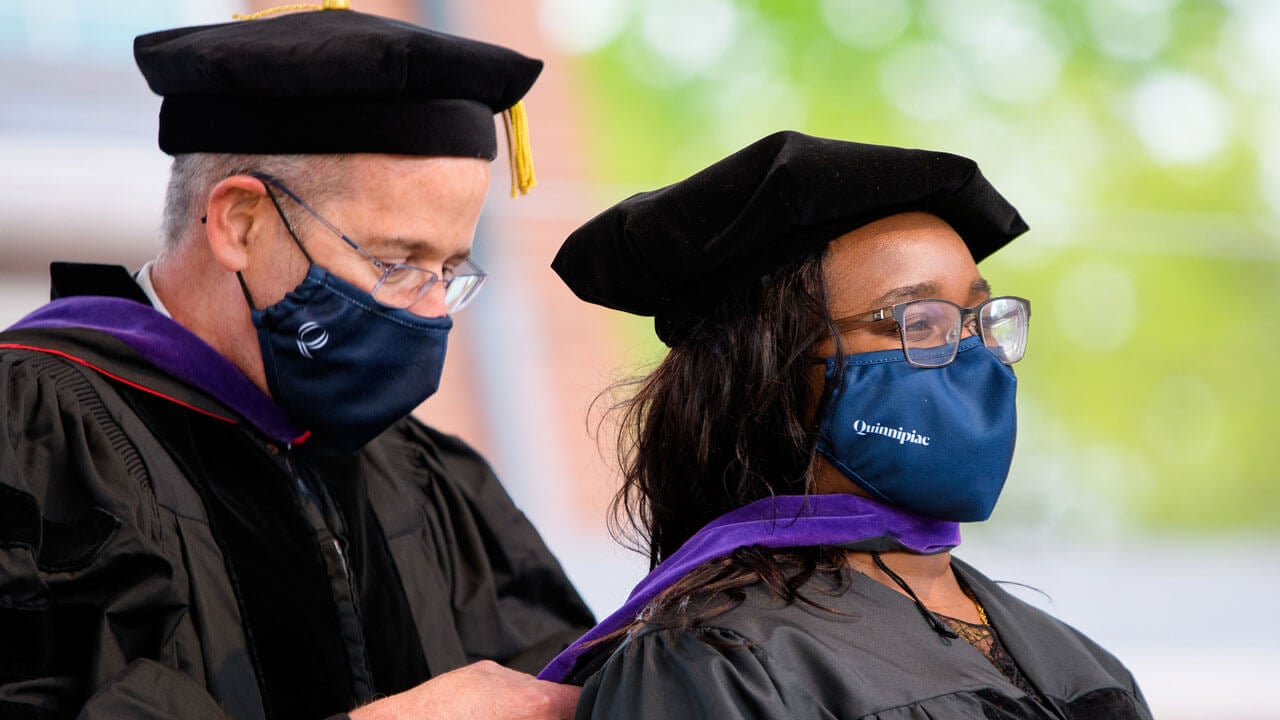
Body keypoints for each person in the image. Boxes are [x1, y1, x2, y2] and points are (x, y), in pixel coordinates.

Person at [0, 4, 594, 719]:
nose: (433, 312)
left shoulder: (421, 473)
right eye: (395, 261)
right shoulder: (32, 437)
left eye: (452, 270)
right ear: (240, 225)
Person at [543, 131, 1153, 719]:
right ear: (770, 372)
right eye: (917, 324)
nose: (972, 353)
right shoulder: (717, 660)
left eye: (976, 317)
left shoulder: (1078, 661)